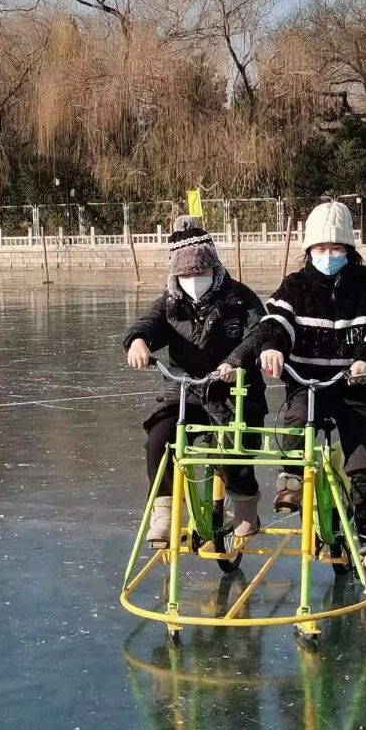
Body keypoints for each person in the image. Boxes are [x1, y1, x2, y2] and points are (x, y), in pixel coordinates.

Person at [219, 200, 366, 588]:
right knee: (294, 424)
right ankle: (290, 480)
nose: (328, 256)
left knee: (365, 467)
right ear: (309, 251)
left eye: (336, 248)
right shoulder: (295, 285)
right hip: (306, 383)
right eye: (320, 249)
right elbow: (276, 321)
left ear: (349, 250)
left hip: (355, 387)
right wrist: (272, 346)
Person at [124, 217, 267, 549]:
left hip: (233, 390)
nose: (193, 280)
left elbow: (260, 332)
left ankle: (245, 503)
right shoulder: (170, 302)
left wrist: (235, 362)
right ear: (175, 275)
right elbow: (148, 323)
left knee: (235, 446)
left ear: (214, 268)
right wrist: (137, 340)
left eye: (200, 273)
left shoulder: (239, 299)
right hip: (184, 390)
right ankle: (164, 511)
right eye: (186, 274)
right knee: (159, 438)